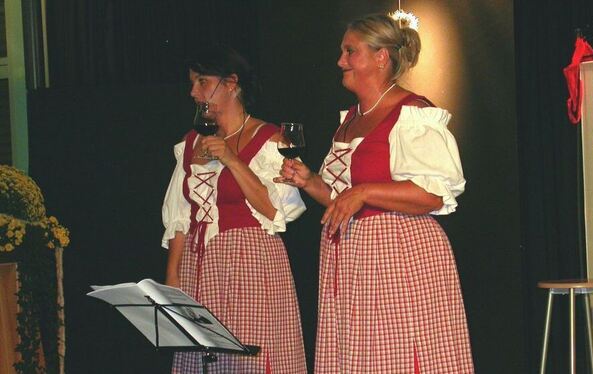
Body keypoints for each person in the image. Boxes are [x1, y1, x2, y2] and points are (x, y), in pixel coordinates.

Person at [276, 14, 474, 373]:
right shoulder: (350, 119)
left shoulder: (412, 114)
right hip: (352, 257)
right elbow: (342, 201)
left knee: (398, 357)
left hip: (398, 253)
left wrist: (364, 191)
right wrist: (310, 182)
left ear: (381, 57)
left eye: (351, 51)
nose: (340, 61)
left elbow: (433, 195)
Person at [161, 45, 307, 373]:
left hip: (249, 260)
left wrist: (230, 158)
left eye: (202, 82)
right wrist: (173, 275)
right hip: (199, 264)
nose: (193, 92)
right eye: (192, 83)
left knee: (247, 360)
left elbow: (274, 209)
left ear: (230, 83)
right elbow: (181, 214)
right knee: (202, 360)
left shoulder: (271, 139)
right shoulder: (190, 143)